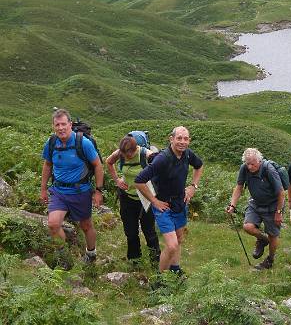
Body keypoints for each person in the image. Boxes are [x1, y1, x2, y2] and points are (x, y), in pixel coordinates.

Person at [134, 126, 203, 275]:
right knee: (171, 245)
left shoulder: (188, 155)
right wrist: (154, 201)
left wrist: (193, 186)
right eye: (179, 138)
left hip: (180, 203)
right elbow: (139, 181)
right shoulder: (162, 159)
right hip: (163, 206)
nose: (182, 142)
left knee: (178, 239)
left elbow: (199, 166)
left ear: (189, 141)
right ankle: (160, 279)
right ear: (171, 139)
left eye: (185, 139)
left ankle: (175, 270)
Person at [40, 109, 104, 265]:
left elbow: (98, 166)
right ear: (53, 126)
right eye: (57, 125)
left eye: (63, 124)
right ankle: (65, 259)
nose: (61, 128)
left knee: (86, 225)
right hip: (59, 191)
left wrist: (98, 191)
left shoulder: (83, 143)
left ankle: (91, 254)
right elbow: (47, 165)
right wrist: (43, 189)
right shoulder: (52, 143)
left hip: (80, 191)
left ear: (70, 124)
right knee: (53, 224)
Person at [226, 148, 285, 270]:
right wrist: (232, 205)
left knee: (273, 234)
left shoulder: (269, 170)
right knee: (248, 227)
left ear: (259, 160)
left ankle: (270, 259)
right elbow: (239, 187)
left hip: (273, 205)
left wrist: (278, 212)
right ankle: (263, 240)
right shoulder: (244, 169)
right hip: (256, 203)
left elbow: (281, 193)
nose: (250, 167)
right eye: (247, 163)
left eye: (253, 163)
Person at [106, 134, 160, 265]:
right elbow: (109, 162)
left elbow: (159, 163)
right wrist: (117, 180)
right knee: (130, 231)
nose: (126, 156)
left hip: (145, 199)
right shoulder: (120, 153)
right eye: (124, 154)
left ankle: (156, 260)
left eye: (129, 153)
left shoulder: (144, 153)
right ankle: (135, 260)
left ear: (135, 148)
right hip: (127, 198)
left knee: (149, 231)